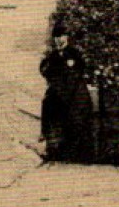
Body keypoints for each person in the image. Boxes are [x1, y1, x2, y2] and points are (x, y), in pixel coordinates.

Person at [39, 22, 94, 162]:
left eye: (62, 36)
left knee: (77, 118)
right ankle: (47, 138)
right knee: (47, 103)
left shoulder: (74, 54)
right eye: (56, 37)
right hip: (60, 92)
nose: (59, 40)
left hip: (74, 93)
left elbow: (76, 74)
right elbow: (44, 69)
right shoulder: (53, 56)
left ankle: (81, 154)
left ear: (67, 37)